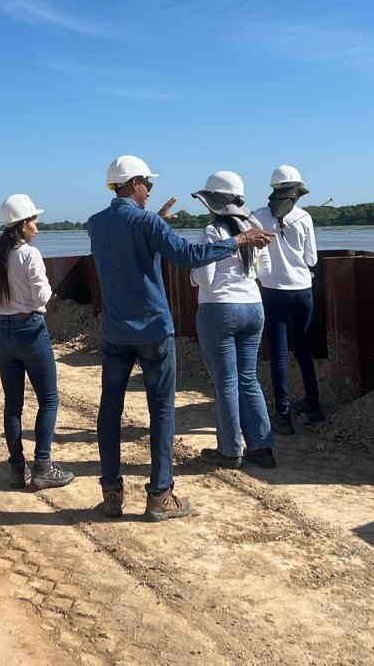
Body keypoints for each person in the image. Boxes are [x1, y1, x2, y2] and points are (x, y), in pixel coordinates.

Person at [87, 156, 273, 522]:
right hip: (154, 331)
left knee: (109, 411)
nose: (150, 190)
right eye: (148, 184)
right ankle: (159, 495)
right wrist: (239, 239)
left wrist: (155, 222)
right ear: (134, 182)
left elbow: (129, 243)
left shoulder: (95, 223)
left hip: (114, 331)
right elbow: (189, 256)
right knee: (161, 412)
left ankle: (111, 494)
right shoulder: (146, 221)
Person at [0, 193, 75, 491]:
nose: (37, 226)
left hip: (3, 333)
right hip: (30, 330)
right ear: (22, 225)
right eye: (34, 220)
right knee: (49, 399)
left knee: (13, 404)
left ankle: (16, 468)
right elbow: (42, 297)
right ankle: (43, 466)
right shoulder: (29, 255)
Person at [190, 172, 276, 470]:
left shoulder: (213, 231)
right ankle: (262, 448)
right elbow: (264, 270)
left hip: (219, 309)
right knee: (248, 378)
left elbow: (205, 276)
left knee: (226, 382)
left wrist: (192, 274)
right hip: (253, 307)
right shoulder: (255, 226)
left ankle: (229, 450)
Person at [254, 164, 321, 435]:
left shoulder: (257, 216)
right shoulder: (303, 217)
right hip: (302, 289)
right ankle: (313, 406)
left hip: (272, 291)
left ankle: (282, 414)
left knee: (279, 353)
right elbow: (312, 259)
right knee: (304, 348)